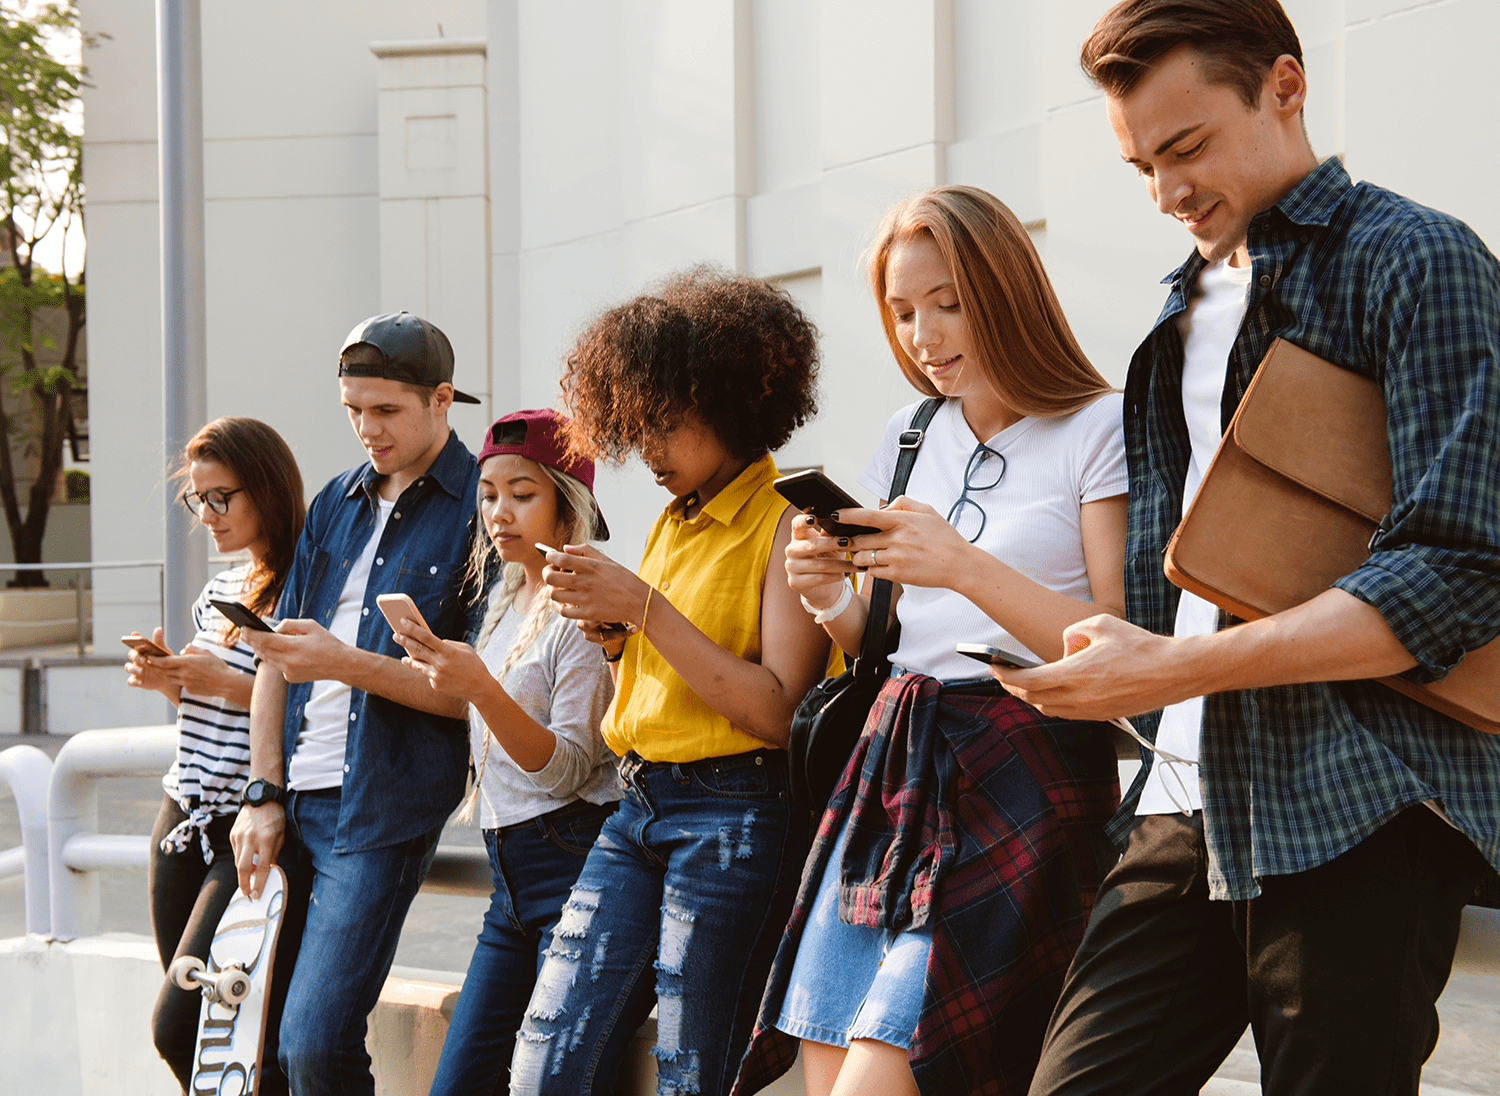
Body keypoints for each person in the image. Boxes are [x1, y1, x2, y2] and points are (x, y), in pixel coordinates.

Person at [991, 4, 1500, 1095]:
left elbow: (1456, 567)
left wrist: (1173, 666)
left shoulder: (1416, 259)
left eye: (1186, 148)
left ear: (1285, 85)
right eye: (1140, 167)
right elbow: (1178, 585)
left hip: (1356, 797)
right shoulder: (1179, 313)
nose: (1167, 192)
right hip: (1182, 798)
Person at [734, 186, 1127, 1096]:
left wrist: (960, 563)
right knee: (828, 1057)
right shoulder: (911, 434)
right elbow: (884, 637)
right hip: (894, 759)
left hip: (1025, 762)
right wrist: (832, 598)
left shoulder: (1096, 426)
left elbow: (1115, 649)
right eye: (903, 311)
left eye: (947, 302)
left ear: (1007, 292)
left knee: (894, 1068)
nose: (923, 334)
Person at [505, 267, 831, 1096]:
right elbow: (647, 698)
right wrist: (617, 637)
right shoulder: (670, 522)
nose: (646, 450)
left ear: (733, 404)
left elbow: (773, 712)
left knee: (693, 1070)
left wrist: (643, 609)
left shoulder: (789, 522)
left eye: (666, 425)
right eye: (634, 428)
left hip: (735, 811)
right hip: (637, 804)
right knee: (546, 1056)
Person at [228, 311, 484, 1096]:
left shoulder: (486, 503)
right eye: (353, 411)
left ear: (441, 400)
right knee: (239, 1037)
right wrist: (262, 791)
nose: (365, 430)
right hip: (290, 800)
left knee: (313, 1045)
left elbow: (474, 694)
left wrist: (344, 662)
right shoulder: (337, 499)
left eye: (385, 411)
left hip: (378, 811)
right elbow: (277, 654)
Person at [389, 408, 620, 1096]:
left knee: (552, 1083)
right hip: (508, 880)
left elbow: (571, 767)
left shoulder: (584, 602)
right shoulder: (508, 593)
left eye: (523, 494)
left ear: (567, 499)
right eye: (489, 495)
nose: (500, 512)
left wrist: (481, 687)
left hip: (572, 861)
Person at [128, 416, 304, 1095]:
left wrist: (218, 683)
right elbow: (209, 712)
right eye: (196, 500)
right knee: (205, 1037)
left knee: (184, 1026)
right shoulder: (217, 592)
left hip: (247, 825)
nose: (207, 515)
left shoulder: (303, 588)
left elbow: (310, 715)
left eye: (220, 497)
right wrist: (171, 679)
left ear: (264, 488)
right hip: (180, 817)